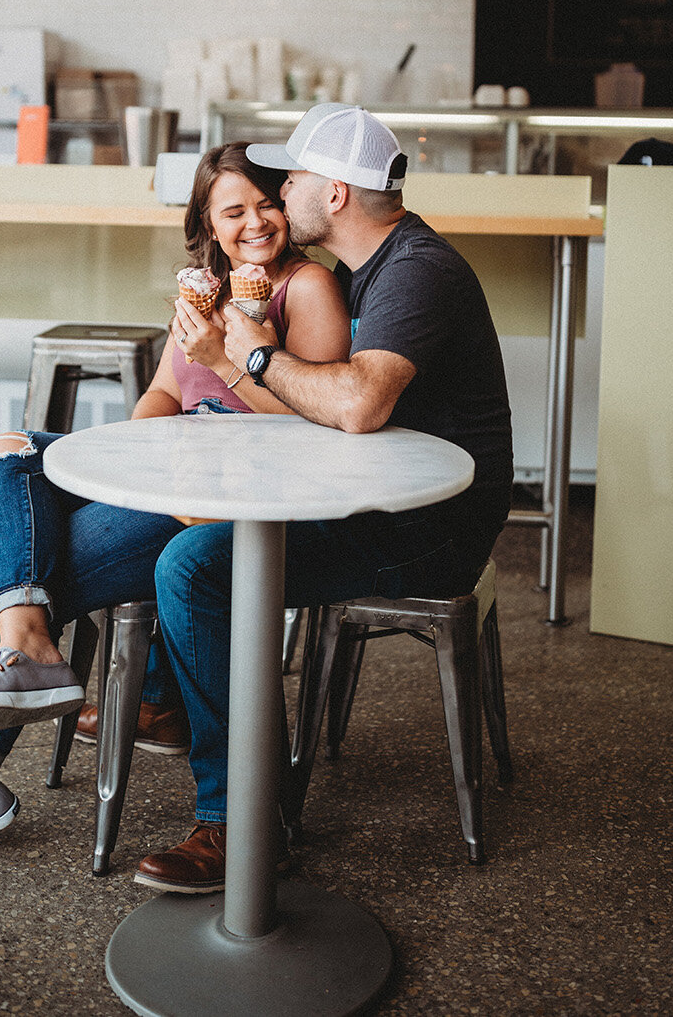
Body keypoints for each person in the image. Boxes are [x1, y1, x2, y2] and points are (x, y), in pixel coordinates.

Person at [0, 142, 351, 849]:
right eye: (233, 210)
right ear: (207, 222)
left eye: (265, 203)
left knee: (52, 567)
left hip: (222, 500)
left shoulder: (307, 288)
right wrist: (135, 458)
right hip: (171, 474)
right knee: (7, 454)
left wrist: (228, 357)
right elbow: (166, 391)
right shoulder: (207, 291)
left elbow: (313, 421)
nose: (255, 221)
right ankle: (26, 638)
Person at [134, 102, 513, 894]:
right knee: (151, 543)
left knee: (195, 568)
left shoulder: (417, 269)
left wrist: (249, 356)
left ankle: (243, 827)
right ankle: (129, 689)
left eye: (296, 176)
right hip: (371, 497)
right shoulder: (361, 272)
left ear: (335, 193)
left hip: (432, 526)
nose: (286, 189)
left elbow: (357, 405)